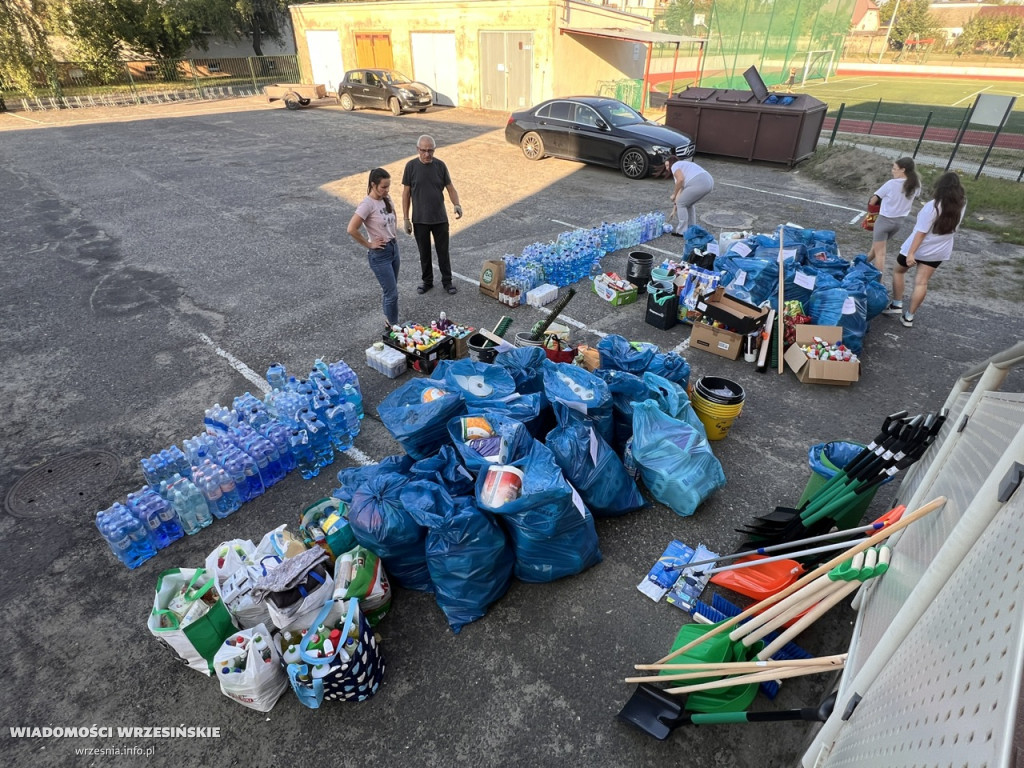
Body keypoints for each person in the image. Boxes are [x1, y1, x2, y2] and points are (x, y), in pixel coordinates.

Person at [887, 172, 966, 328]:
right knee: (921, 283)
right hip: (939, 250)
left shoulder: (932, 206)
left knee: (898, 271)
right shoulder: (962, 204)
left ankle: (896, 304)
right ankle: (909, 317)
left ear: (940, 188)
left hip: (919, 248)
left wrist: (911, 253)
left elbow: (921, 233)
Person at [402, 135, 463, 295]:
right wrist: (406, 219)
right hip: (420, 219)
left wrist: (456, 204)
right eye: (423, 151)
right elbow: (406, 193)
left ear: (434, 150)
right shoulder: (411, 167)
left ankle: (447, 282)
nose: (427, 154)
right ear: (417, 150)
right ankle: (427, 281)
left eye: (430, 151)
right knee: (424, 252)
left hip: (439, 218)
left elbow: (450, 187)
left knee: (443, 251)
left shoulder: (440, 166)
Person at [347, 168, 401, 328]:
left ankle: (388, 320)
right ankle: (393, 325)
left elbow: (392, 217)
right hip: (380, 255)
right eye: (383, 187)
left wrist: (393, 236)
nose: (386, 190)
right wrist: (370, 244)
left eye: (388, 186)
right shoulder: (367, 204)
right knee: (392, 293)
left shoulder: (386, 198)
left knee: (391, 290)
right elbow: (351, 229)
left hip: (393, 249)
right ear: (373, 184)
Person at [868, 157, 920, 276]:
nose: (892, 171)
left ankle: (878, 281)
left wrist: (872, 212)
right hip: (898, 222)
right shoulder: (916, 184)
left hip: (884, 221)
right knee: (875, 248)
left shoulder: (891, 184)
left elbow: (873, 200)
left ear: (903, 169)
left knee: (880, 253)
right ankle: (859, 265)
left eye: (895, 168)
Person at [665, 154, 714, 231]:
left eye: (667, 165)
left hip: (699, 182)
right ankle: (691, 229)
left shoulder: (675, 165)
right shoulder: (684, 166)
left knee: (682, 204)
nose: (667, 168)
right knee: (687, 203)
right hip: (708, 181)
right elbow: (680, 193)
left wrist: (674, 194)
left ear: (672, 162)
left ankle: (682, 231)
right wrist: (674, 210)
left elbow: (680, 180)